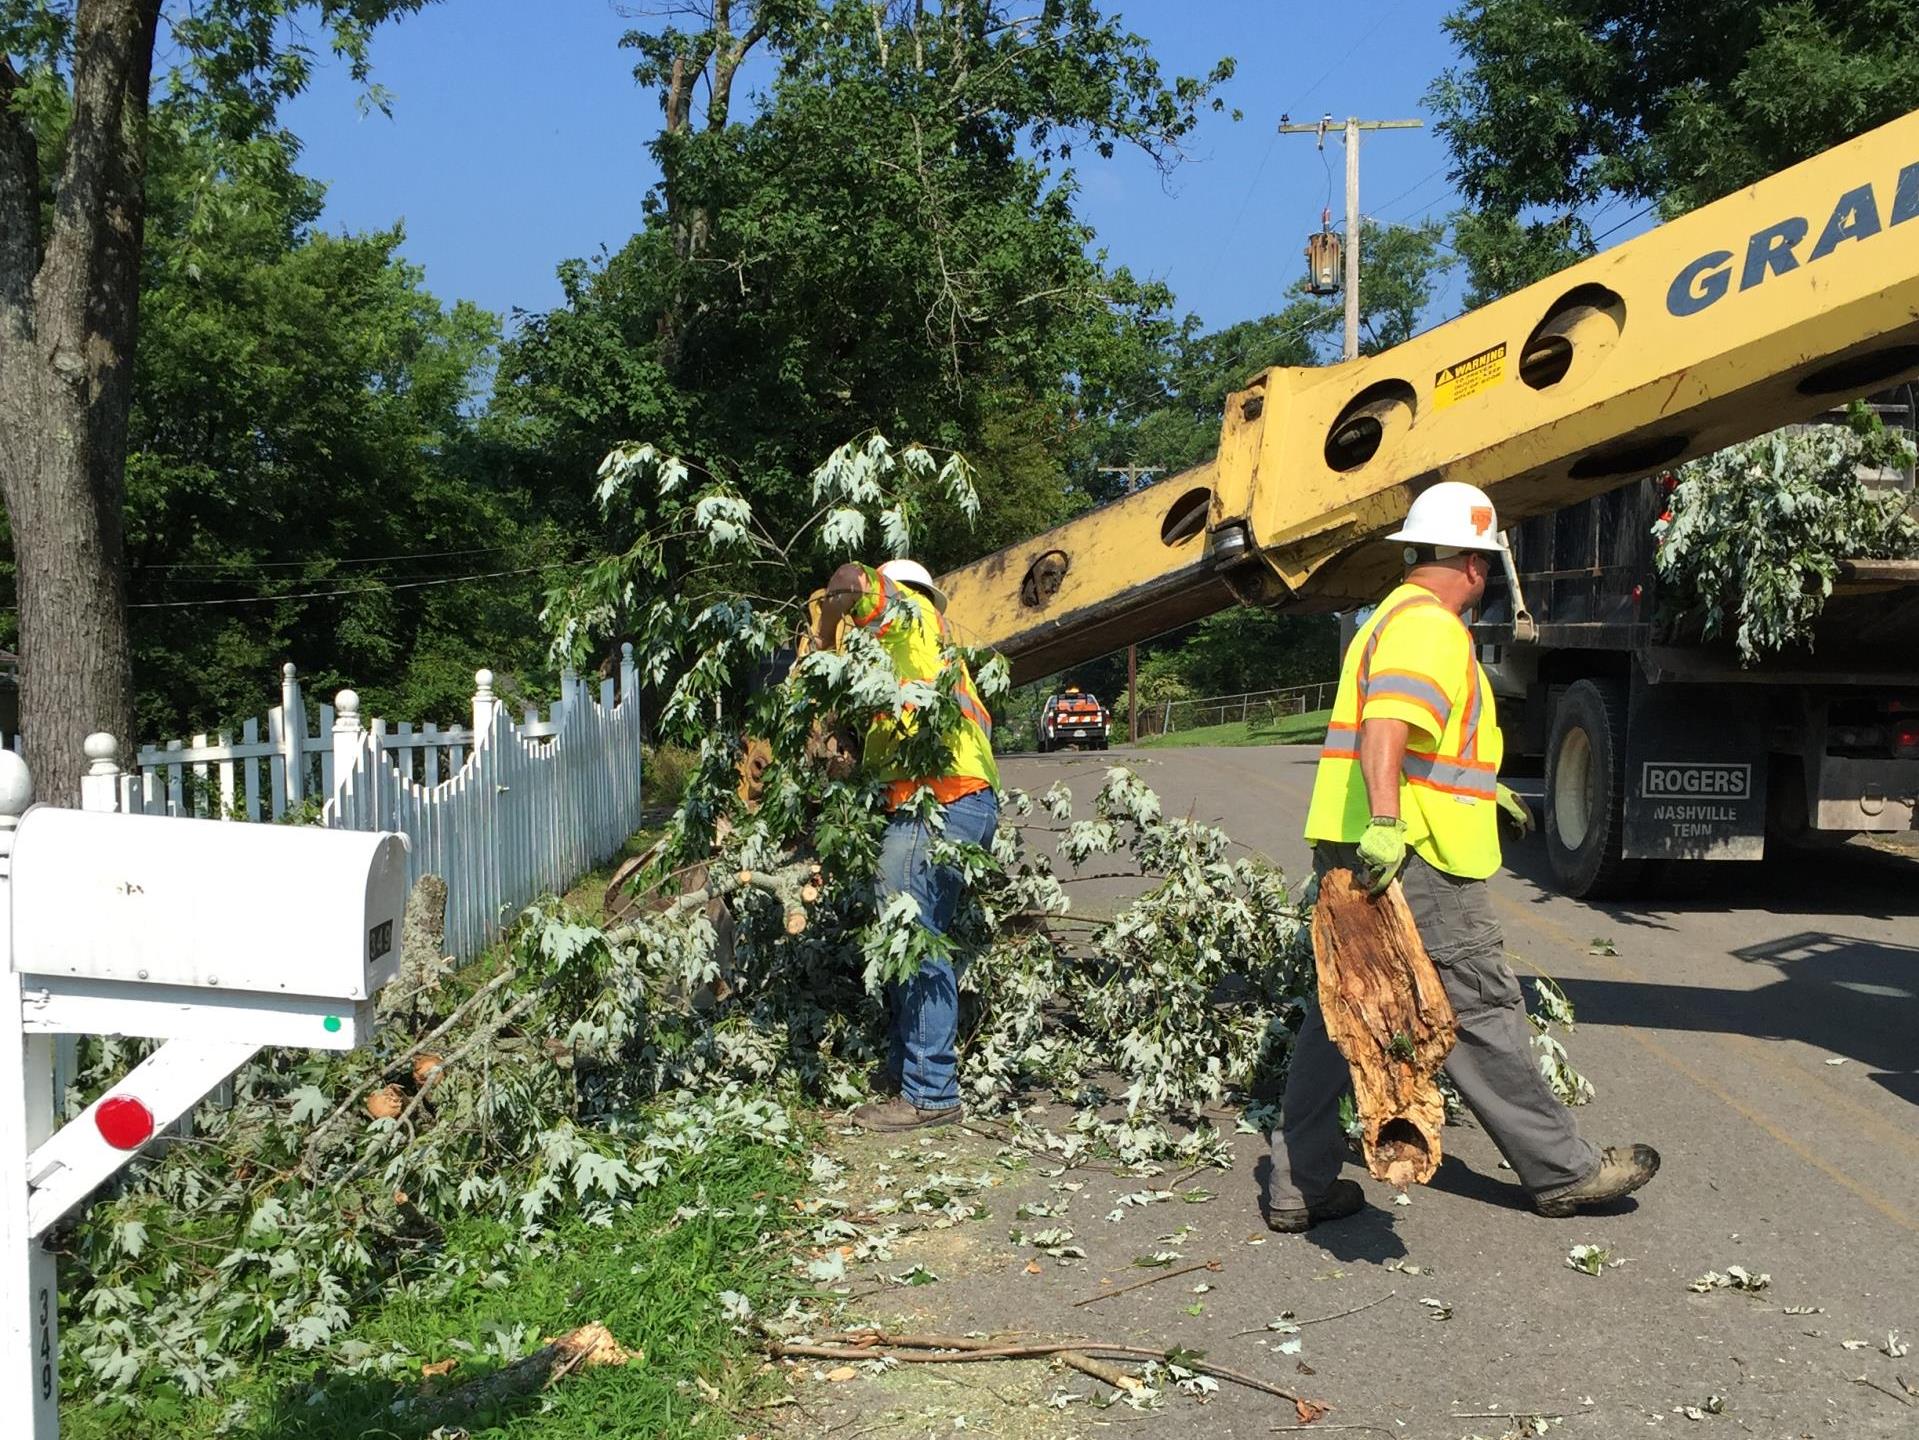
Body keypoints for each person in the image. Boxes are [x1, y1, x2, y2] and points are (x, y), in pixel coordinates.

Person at [1266, 481, 1659, 1230]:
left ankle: (1300, 1183)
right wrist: (1389, 821)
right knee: (1479, 1008)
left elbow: (1422, 744)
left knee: (1343, 1009)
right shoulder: (1430, 628)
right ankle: (1562, 1171)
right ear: (1476, 565)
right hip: (1409, 855)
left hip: (1361, 845)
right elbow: (1387, 730)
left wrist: (1484, 791)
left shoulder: (1388, 617)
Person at [814, 557, 1001, 1132]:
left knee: (917, 942)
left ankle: (930, 1092)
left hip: (937, 805)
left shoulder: (912, 617)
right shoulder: (917, 671)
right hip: (950, 804)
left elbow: (850, 577)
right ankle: (912, 1074)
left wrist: (823, 635)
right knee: (914, 940)